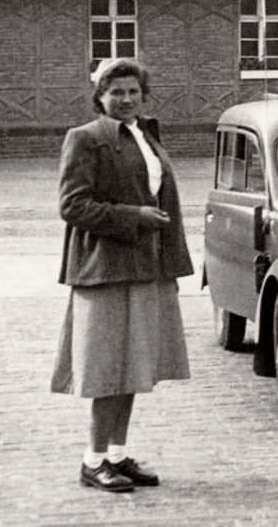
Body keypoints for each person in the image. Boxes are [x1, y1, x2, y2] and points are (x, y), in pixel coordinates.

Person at [50, 57, 194, 493]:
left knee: (133, 367)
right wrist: (134, 216)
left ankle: (116, 455)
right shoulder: (85, 139)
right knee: (107, 368)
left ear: (143, 95)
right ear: (99, 97)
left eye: (133, 92)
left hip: (146, 266)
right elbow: (72, 206)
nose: (126, 99)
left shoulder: (145, 135)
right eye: (116, 92)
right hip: (105, 271)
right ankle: (92, 461)